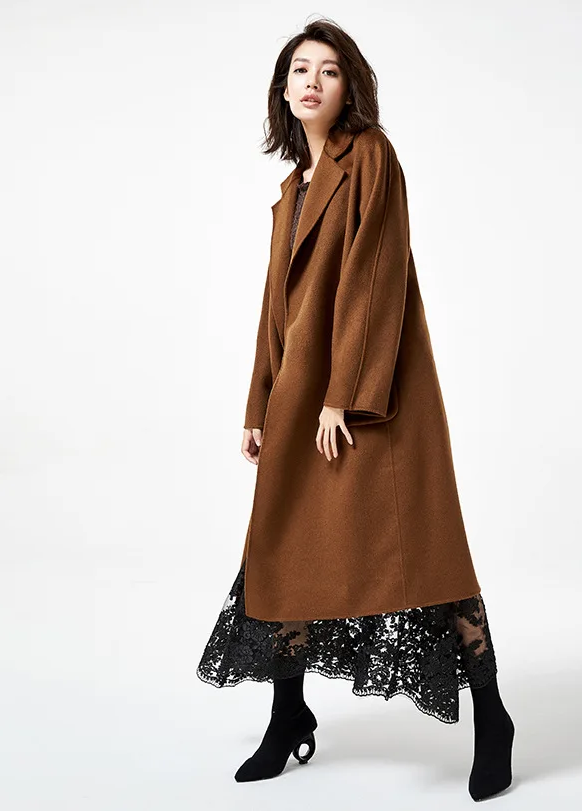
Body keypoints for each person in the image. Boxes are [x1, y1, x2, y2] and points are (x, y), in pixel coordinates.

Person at [196, 18, 516, 802]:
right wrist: (258, 403)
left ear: (351, 87)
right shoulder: (291, 191)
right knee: (281, 548)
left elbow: (378, 273)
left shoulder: (369, 156)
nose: (312, 81)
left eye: (329, 70)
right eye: (299, 70)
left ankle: (493, 718)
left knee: (425, 554)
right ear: (282, 89)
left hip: (371, 396)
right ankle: (288, 714)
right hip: (300, 397)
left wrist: (343, 394)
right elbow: (275, 308)